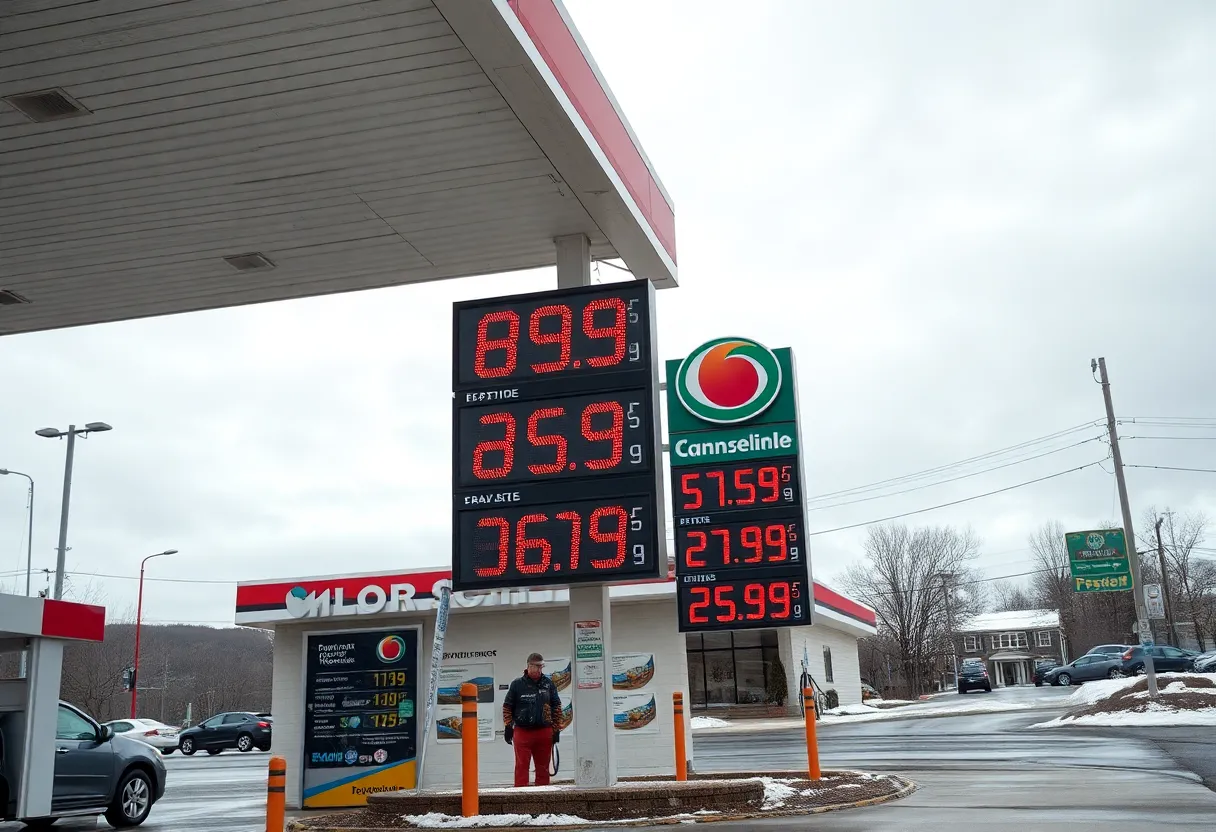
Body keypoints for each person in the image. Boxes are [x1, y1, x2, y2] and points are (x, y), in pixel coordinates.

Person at [502, 652, 562, 787]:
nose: (540, 670)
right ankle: (519, 797)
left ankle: (543, 799)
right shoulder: (517, 684)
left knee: (543, 768)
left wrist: (556, 729)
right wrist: (508, 726)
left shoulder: (548, 684)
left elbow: (557, 707)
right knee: (521, 766)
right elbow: (507, 706)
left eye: (542, 667)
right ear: (529, 666)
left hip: (544, 730)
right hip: (522, 731)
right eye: (537, 667)